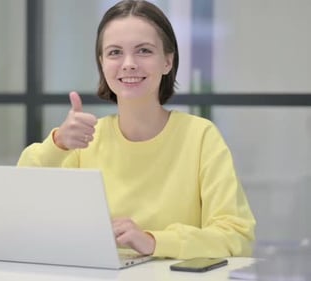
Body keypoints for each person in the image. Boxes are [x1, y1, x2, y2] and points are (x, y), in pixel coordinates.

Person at [17, 0, 255, 259]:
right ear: (102, 63)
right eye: (115, 52)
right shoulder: (83, 140)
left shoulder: (200, 137)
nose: (128, 63)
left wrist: (153, 241)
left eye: (143, 50)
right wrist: (59, 143)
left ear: (167, 61)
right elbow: (19, 204)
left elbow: (237, 237)